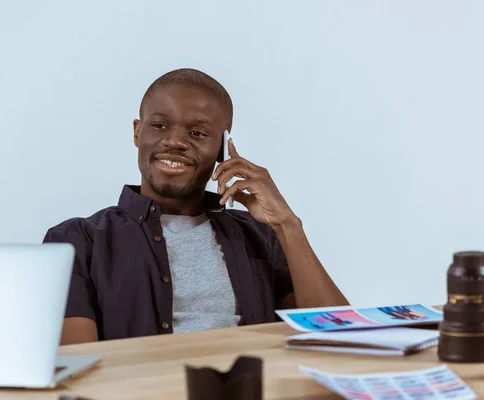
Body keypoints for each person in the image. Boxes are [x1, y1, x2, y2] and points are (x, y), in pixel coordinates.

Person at [43, 68, 348, 344]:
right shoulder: (77, 242)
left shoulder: (261, 237)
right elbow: (80, 367)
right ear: (138, 132)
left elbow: (338, 339)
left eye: (197, 133)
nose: (175, 141)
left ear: (221, 147)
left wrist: (287, 225)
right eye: (160, 125)